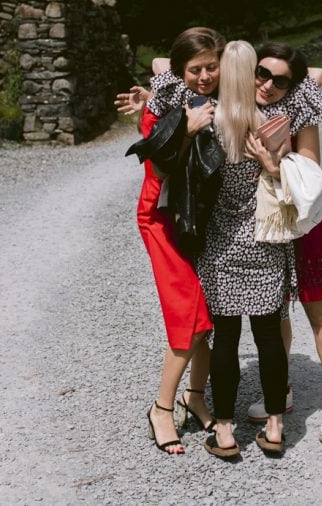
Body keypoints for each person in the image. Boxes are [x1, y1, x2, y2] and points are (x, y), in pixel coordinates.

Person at [193, 40, 315, 459]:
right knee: (268, 338)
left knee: (225, 338)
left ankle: (225, 432)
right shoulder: (272, 123)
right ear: (252, 76)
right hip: (265, 240)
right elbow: (313, 79)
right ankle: (276, 427)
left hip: (222, 244)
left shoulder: (209, 121)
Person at [120, 26, 224, 455]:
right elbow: (160, 171)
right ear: (182, 70)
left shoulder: (216, 100)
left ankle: (195, 396)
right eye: (195, 69)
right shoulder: (165, 104)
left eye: (211, 67)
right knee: (189, 312)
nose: (204, 76)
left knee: (210, 311)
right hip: (160, 217)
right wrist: (186, 128)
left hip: (196, 219)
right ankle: (162, 408)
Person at [246, 41, 322, 444]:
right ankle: (281, 389)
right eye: (262, 73)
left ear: (293, 85)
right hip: (265, 222)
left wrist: (273, 166)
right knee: (275, 309)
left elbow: (311, 169)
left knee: (317, 310)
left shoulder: (299, 107)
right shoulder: (237, 96)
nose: (268, 85)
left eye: (280, 80)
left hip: (301, 220)